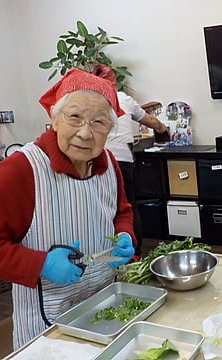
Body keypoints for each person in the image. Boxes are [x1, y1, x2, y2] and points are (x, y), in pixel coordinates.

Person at [0, 68, 136, 350]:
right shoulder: (20, 170)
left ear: (110, 130)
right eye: (75, 117)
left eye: (99, 122)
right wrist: (40, 264)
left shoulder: (109, 164)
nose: (85, 133)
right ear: (54, 119)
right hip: (49, 328)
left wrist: (124, 235)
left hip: (107, 310)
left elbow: (121, 212)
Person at [91, 64, 169, 256]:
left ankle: (105, 250)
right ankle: (135, 251)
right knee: (129, 205)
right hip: (122, 160)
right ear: (114, 81)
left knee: (100, 206)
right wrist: (163, 130)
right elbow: (151, 121)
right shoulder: (124, 98)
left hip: (94, 161)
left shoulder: (90, 100)